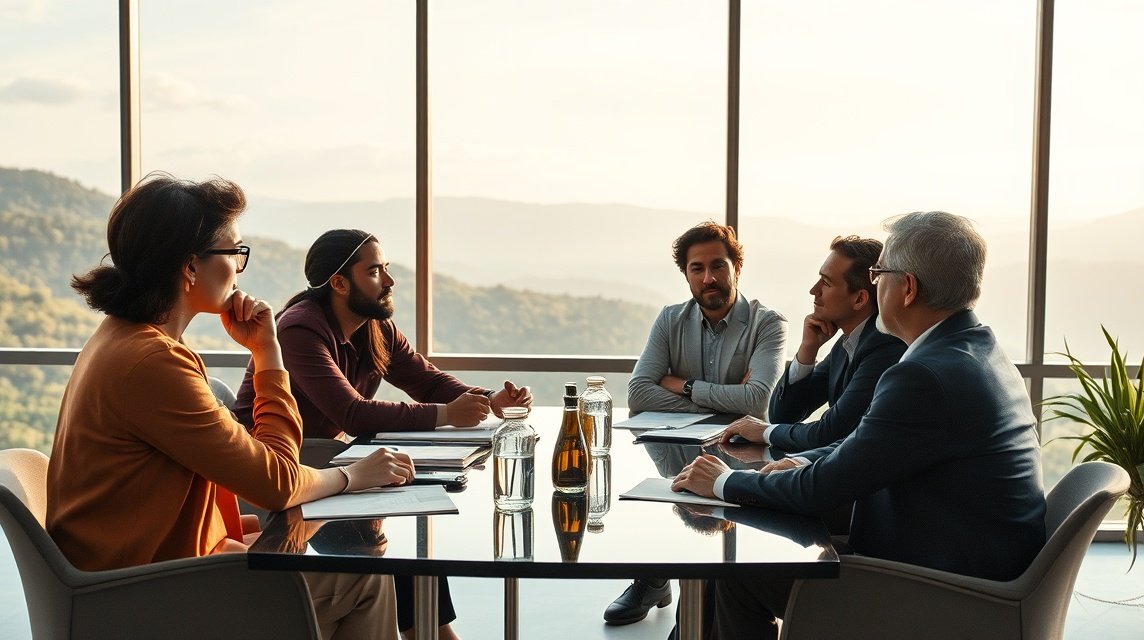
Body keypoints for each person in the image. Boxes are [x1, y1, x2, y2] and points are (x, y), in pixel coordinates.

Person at [48, 174, 412, 639]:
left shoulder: (123, 339)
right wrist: (350, 475)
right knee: (365, 580)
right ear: (190, 266)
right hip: (142, 598)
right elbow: (278, 483)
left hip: (132, 576)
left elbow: (265, 473)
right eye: (234, 252)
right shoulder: (153, 363)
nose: (240, 268)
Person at [671, 211, 1047, 639]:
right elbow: (867, 442)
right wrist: (801, 460)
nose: (874, 284)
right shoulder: (974, 348)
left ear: (907, 288)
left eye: (879, 273)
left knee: (738, 575)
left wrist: (723, 482)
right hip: (969, 570)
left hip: (947, 595)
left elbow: (824, 486)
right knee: (735, 565)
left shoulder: (924, 376)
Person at [233, 228, 532, 639]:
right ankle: (433, 633)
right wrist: (448, 414)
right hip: (275, 473)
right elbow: (352, 413)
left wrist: (487, 399)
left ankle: (433, 631)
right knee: (397, 539)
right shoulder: (298, 329)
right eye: (375, 271)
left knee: (413, 529)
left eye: (386, 268)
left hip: (325, 463)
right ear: (339, 283)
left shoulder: (375, 326)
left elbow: (426, 381)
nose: (389, 280)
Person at [604, 221, 787, 626]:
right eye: (697, 268)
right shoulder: (670, 319)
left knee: (729, 528)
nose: (708, 278)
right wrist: (726, 401)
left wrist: (682, 385)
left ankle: (712, 601)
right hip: (674, 448)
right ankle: (654, 576)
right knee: (665, 503)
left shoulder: (768, 323)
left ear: (737, 267)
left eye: (718, 265)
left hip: (741, 454)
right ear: (686, 274)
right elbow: (638, 394)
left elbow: (756, 400)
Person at [721, 235, 905, 457]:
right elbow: (782, 415)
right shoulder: (846, 344)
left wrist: (765, 432)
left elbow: (830, 432)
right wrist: (808, 349)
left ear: (859, 299)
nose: (813, 290)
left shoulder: (884, 347)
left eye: (826, 283)